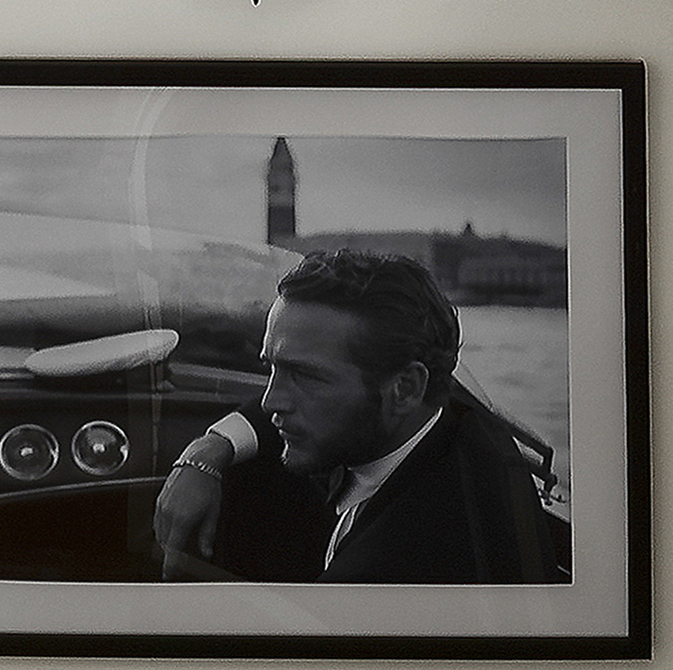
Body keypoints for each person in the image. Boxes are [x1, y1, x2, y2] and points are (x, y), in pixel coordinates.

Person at [154, 248, 563, 586]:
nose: (269, 401)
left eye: (305, 376)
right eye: (272, 368)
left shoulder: (396, 571)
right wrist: (212, 449)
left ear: (405, 388)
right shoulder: (442, 414)